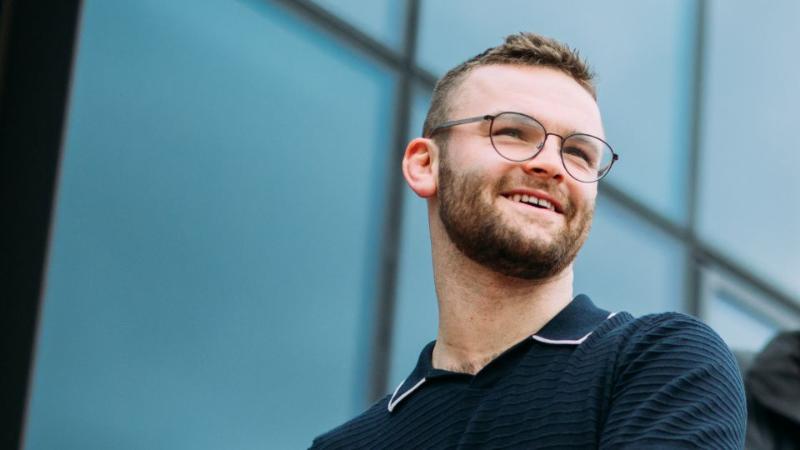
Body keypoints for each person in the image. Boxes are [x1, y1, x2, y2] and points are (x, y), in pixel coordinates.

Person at [311, 32, 746, 449]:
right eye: (513, 132)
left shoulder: (659, 362)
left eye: (578, 152)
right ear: (426, 164)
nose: (552, 165)